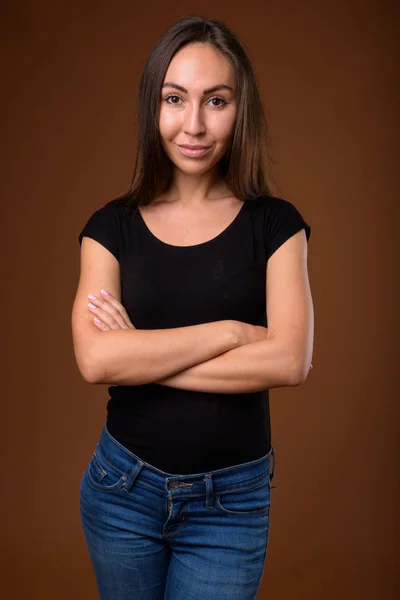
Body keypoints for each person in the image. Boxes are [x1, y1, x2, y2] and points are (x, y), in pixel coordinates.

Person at [72, 15, 313, 600]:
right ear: (153, 108)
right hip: (123, 490)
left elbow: (288, 362)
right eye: (175, 99)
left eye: (217, 101)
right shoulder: (110, 229)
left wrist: (146, 357)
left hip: (231, 503)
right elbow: (97, 362)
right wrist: (232, 332)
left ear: (241, 108)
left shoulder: (277, 226)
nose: (194, 124)